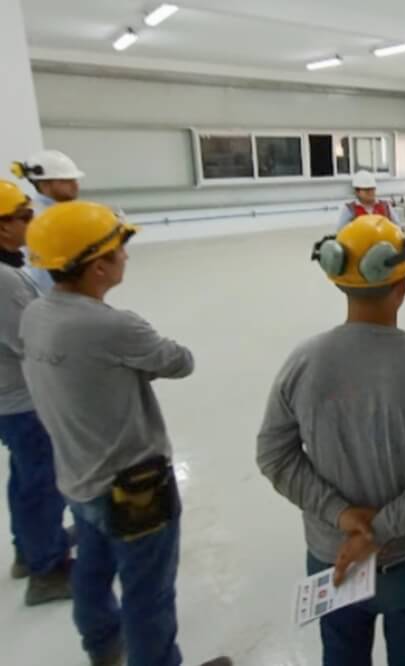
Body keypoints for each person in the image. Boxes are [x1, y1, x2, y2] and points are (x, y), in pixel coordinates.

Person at [20, 202, 230, 666]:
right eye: (119, 249)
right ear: (98, 267)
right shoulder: (112, 325)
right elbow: (180, 361)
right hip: (134, 488)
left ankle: (103, 647)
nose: (126, 256)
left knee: (92, 573)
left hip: (78, 477)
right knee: (148, 591)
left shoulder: (35, 314)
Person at [258, 215, 405, 666]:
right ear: (402, 286)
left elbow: (274, 456)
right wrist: (381, 530)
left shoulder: (302, 363)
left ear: (339, 283)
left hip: (334, 561)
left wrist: (342, 515)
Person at [0, 181, 72, 605]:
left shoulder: (10, 270)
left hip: (10, 398)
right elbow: (29, 342)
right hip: (23, 400)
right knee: (43, 481)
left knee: (27, 476)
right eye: (23, 217)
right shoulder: (4, 280)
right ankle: (48, 569)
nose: (31, 223)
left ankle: (29, 550)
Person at [11, 150, 86, 294]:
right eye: (66, 181)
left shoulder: (64, 213)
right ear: (44, 184)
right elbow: (41, 276)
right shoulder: (36, 218)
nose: (75, 185)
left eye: (75, 179)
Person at [335, 170, 401, 232]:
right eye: (367, 190)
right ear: (357, 192)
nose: (371, 192)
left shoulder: (385, 206)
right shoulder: (350, 209)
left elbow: (397, 228)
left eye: (372, 189)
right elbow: (340, 231)